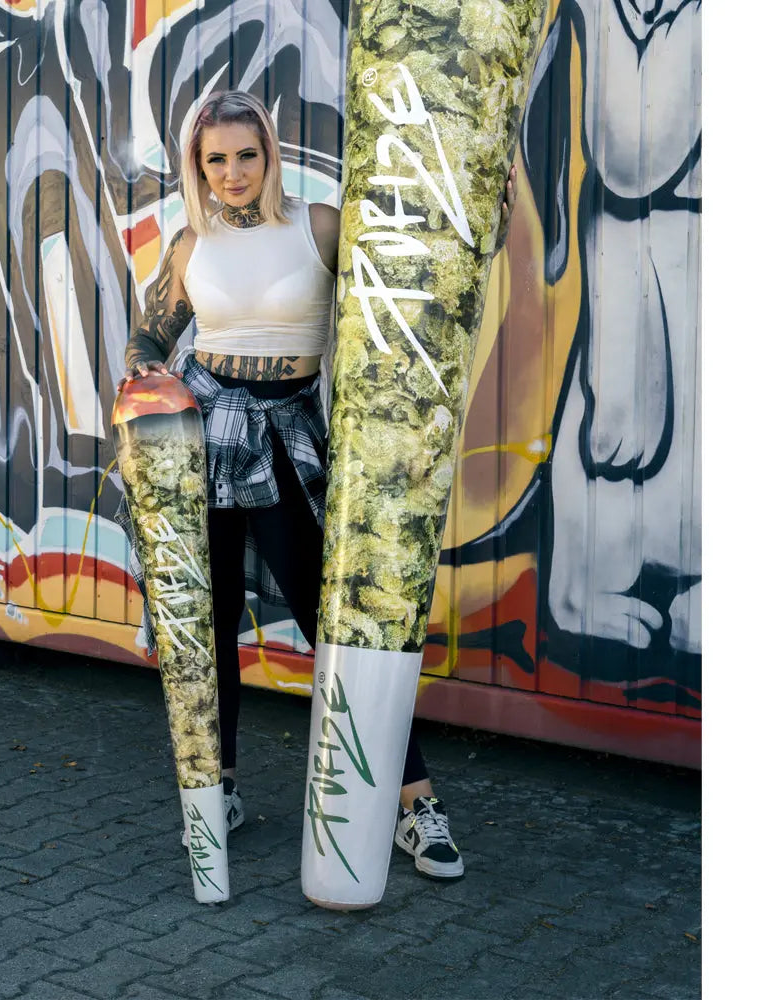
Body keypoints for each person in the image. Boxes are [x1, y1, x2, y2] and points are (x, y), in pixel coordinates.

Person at [120, 90, 517, 881]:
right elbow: (151, 332)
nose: (233, 173)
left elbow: (417, 276)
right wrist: (144, 374)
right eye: (215, 160)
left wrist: (488, 220)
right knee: (210, 623)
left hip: (290, 440)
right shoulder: (191, 243)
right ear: (198, 168)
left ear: (270, 155)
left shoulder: (321, 226)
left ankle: (413, 805)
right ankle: (220, 787)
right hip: (204, 439)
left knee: (339, 620)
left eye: (247, 154)